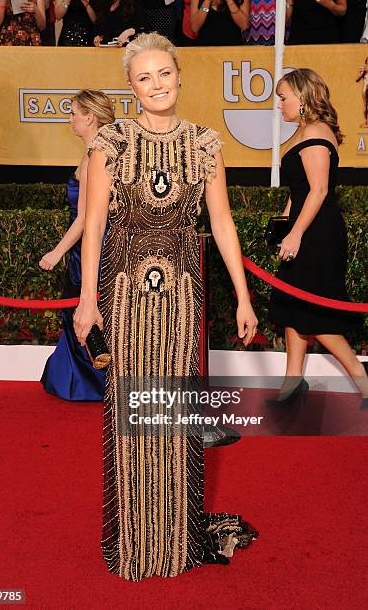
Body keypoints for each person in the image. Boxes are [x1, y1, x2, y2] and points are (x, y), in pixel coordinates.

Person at [73, 31, 258, 581]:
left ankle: (175, 539)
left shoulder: (205, 143)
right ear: (131, 88)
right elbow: (95, 226)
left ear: (179, 76)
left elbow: (221, 224)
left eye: (164, 74)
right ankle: (135, 540)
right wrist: (88, 301)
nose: (156, 84)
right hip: (126, 296)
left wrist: (244, 297)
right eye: (143, 77)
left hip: (181, 298)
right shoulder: (111, 141)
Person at [268, 68, 368, 407]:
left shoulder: (316, 130)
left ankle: (362, 379)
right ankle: (293, 382)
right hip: (303, 227)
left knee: (312, 311)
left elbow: (320, 189)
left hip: (318, 233)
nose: (279, 104)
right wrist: (284, 221)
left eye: (283, 98)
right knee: (292, 303)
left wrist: (295, 233)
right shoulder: (302, 131)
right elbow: (299, 191)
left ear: (303, 97)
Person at [40, 90, 115, 401]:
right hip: (89, 246)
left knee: (86, 316)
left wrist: (56, 252)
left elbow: (86, 218)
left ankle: (96, 384)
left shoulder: (93, 158)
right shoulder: (97, 153)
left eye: (73, 112)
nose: (69, 118)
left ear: (89, 116)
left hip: (89, 248)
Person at [356, 57, 368, 128]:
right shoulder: (363, 69)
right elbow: (357, 80)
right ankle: (366, 121)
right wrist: (361, 75)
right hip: (366, 88)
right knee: (365, 105)